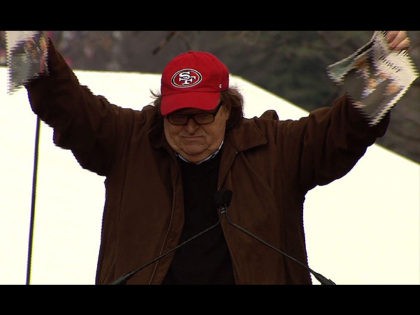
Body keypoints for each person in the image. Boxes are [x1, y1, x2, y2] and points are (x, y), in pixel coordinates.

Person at [23, 31, 411, 285]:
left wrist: (383, 66)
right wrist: (25, 41)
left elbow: (344, 130)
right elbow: (66, 103)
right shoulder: (127, 141)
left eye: (202, 114)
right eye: (177, 115)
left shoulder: (278, 148)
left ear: (228, 109)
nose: (189, 127)